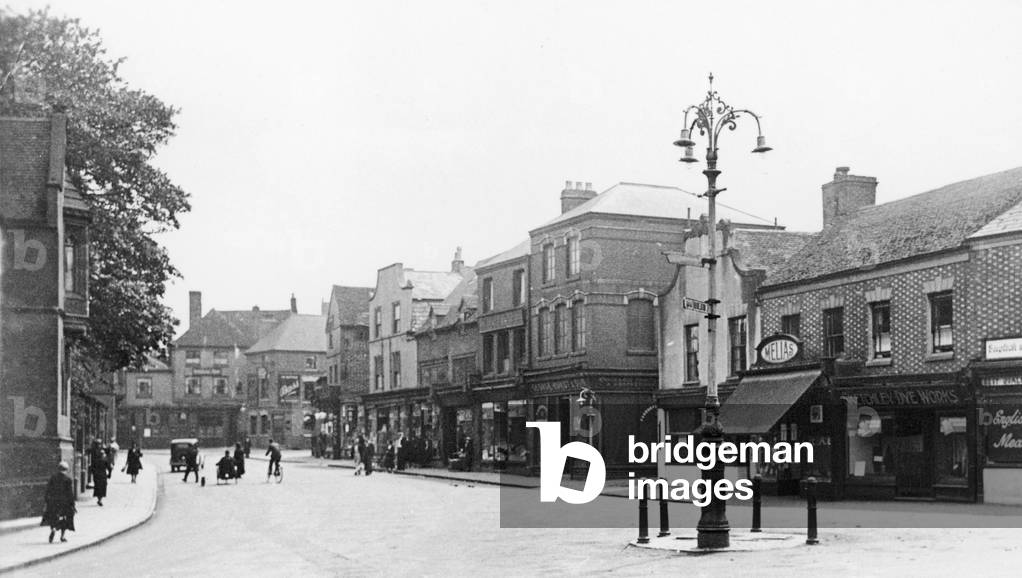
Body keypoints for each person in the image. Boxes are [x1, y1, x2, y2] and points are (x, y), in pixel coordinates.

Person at [41, 461, 76, 543]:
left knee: (53, 516)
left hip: (53, 501)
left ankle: (53, 528)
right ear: (66, 469)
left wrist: (47, 500)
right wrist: (72, 504)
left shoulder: (53, 478)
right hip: (64, 503)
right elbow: (70, 493)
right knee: (65, 518)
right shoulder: (68, 479)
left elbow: (48, 490)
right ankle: (62, 536)